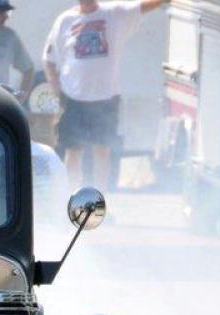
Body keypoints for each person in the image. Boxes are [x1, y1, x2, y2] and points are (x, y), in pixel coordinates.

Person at [43, 0, 169, 189]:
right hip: (73, 98)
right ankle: (71, 198)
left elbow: (141, 7)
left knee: (102, 151)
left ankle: (99, 200)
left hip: (105, 98)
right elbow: (49, 58)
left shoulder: (114, 13)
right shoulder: (65, 20)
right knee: (73, 151)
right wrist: (56, 88)